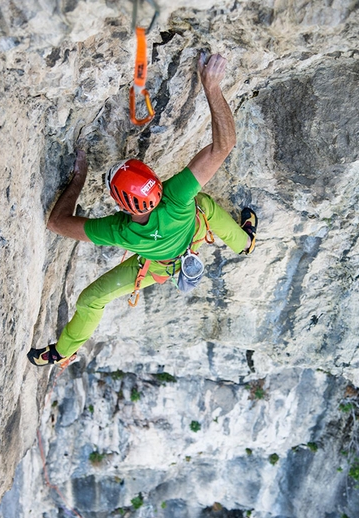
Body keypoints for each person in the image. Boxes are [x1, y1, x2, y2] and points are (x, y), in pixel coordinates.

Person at [27, 52, 258, 367]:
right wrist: (212, 87)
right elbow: (224, 145)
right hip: (193, 232)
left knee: (91, 300)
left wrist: (78, 179)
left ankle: (62, 351)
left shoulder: (118, 231)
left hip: (159, 267)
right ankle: (244, 242)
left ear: (120, 206)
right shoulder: (176, 196)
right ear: (157, 183)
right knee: (200, 202)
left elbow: (56, 222)